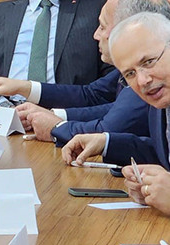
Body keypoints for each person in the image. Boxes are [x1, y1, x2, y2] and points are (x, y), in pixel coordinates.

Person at [0, 0, 170, 143]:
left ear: (129, 28)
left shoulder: (148, 77)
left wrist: (56, 127)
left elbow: (109, 128)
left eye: (102, 26)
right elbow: (93, 95)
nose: (95, 35)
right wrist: (25, 88)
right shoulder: (135, 70)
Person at [62, 12, 170, 169]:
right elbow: (164, 155)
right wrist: (105, 143)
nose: (142, 80)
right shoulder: (159, 96)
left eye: (148, 62)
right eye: (130, 73)